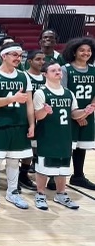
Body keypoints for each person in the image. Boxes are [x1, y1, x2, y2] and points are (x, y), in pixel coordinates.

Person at [34, 61, 92, 210]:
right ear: (45, 74)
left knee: (63, 168)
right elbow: (37, 116)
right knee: (43, 168)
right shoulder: (41, 92)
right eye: (53, 70)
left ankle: (61, 194)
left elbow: (74, 114)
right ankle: (40, 194)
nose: (58, 72)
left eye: (59, 70)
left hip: (65, 136)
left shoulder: (68, 93)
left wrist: (85, 111)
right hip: (47, 136)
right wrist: (44, 111)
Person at [0, 42, 34, 210]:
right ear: (3, 56)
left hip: (19, 124)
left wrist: (32, 124)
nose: (18, 58)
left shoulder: (23, 76)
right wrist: (12, 98)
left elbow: (29, 104)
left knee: (14, 161)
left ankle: (13, 193)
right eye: (14, 55)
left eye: (20, 55)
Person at [61, 37, 95, 190]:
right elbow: (63, 93)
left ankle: (78, 176)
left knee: (81, 145)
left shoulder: (94, 70)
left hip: (88, 113)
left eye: (88, 50)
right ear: (74, 52)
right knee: (67, 145)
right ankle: (57, 177)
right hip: (68, 111)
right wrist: (76, 114)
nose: (86, 53)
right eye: (82, 50)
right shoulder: (65, 69)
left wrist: (87, 111)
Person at [21, 50, 46, 188]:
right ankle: (22, 175)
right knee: (26, 149)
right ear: (30, 61)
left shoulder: (45, 78)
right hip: (27, 116)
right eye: (38, 59)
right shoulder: (23, 76)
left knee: (37, 148)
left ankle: (36, 174)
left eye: (43, 59)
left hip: (42, 117)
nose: (42, 62)